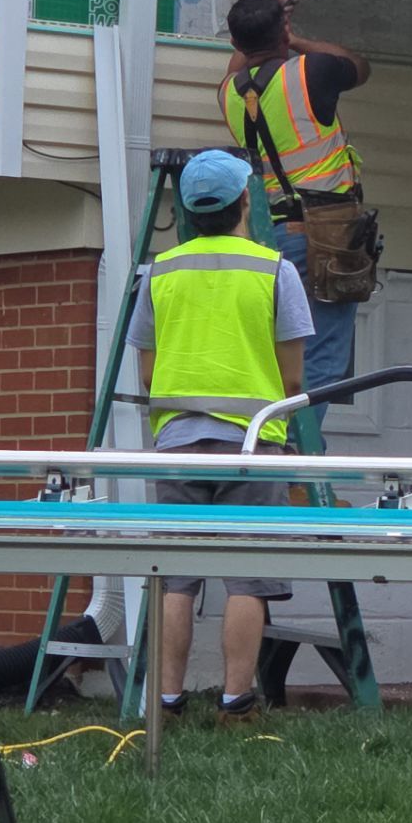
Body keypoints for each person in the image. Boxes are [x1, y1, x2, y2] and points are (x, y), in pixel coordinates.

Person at [127, 148, 315, 722]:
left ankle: (166, 701)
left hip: (176, 444)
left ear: (187, 210)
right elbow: (293, 377)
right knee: (248, 578)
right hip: (253, 445)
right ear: (243, 204)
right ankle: (236, 701)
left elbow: (145, 373)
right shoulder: (274, 269)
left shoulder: (161, 272)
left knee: (176, 578)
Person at [218, 0, 371, 410]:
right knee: (321, 357)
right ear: (283, 35)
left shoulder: (229, 94)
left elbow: (238, 64)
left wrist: (268, 19)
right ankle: (300, 461)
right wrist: (293, 36)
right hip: (325, 234)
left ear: (235, 42)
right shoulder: (311, 72)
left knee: (275, 351)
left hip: (268, 237)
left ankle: (274, 444)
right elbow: (358, 65)